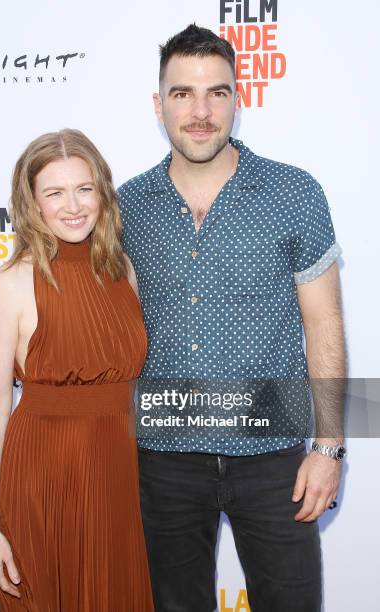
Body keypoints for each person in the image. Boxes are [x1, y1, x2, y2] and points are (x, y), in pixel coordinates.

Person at [117, 24, 346, 612]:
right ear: (157, 103)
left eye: (216, 93)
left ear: (238, 100)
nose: (199, 111)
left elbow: (323, 325)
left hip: (276, 460)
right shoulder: (125, 208)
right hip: (163, 459)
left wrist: (329, 446)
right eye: (182, 93)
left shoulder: (293, 193)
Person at [0, 129, 154, 611]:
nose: (72, 206)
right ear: (31, 202)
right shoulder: (11, 284)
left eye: (84, 188)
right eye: (54, 193)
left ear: (102, 193)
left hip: (121, 474)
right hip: (44, 478)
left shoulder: (123, 270)